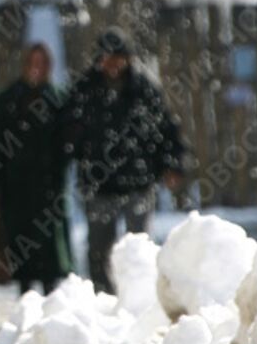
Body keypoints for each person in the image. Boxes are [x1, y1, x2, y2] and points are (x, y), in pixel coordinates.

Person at [63, 26, 184, 292]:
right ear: (99, 59)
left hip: (137, 183)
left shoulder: (143, 90)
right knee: (98, 251)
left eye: (118, 57)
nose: (113, 63)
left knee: (139, 250)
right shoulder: (84, 90)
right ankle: (103, 298)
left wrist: (172, 164)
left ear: (127, 59)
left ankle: (138, 298)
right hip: (99, 185)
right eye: (107, 57)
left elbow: (165, 129)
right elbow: (67, 132)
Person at [0, 43, 73, 296]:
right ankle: (26, 298)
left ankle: (50, 297)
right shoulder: (9, 99)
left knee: (49, 252)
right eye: (32, 63)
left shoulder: (57, 100)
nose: (36, 69)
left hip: (48, 189)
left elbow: (66, 144)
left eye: (41, 64)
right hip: (16, 189)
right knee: (21, 250)